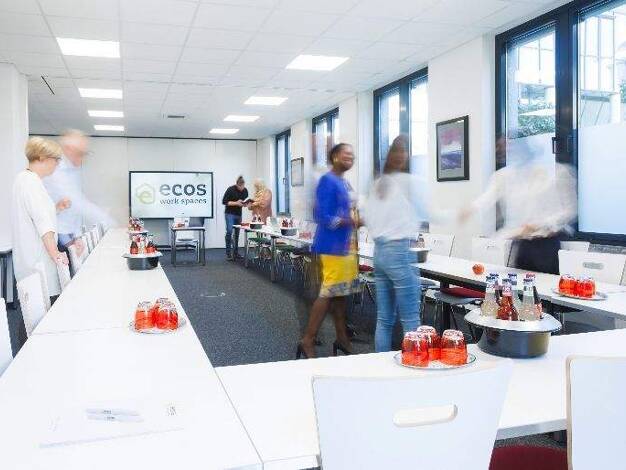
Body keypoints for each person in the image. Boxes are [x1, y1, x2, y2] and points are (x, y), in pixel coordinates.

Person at [459, 135, 577, 274]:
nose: (503, 151)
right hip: (522, 245)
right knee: (517, 285)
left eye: (509, 146)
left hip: (547, 245)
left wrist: (540, 224)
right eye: (501, 147)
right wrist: (469, 209)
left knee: (545, 286)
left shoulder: (557, 172)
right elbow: (487, 197)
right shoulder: (504, 175)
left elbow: (570, 210)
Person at [363, 135, 427, 352]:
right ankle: (415, 364)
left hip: (379, 253)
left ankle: (380, 363)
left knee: (384, 319)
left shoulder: (378, 184)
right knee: (411, 320)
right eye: (402, 150)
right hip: (398, 252)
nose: (403, 155)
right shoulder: (408, 182)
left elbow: (367, 218)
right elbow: (431, 213)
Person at [297, 143, 359, 359]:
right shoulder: (327, 180)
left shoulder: (344, 182)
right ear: (334, 157)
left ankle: (342, 338)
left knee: (340, 294)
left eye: (352, 154)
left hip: (346, 245)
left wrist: (355, 219)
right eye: (345, 154)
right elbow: (321, 215)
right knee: (329, 292)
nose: (350, 157)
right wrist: (348, 220)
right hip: (332, 246)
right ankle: (307, 340)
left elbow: (350, 209)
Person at [12, 137, 70, 302]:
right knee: (46, 311)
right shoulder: (31, 183)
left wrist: (56, 208)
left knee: (35, 310)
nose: (57, 164)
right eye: (56, 159)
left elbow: (36, 215)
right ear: (42, 157)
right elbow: (44, 225)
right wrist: (56, 254)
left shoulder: (23, 179)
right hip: (39, 263)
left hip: (28, 262)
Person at [43, 129, 115, 257]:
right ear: (68, 149)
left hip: (67, 237)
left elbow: (74, 211)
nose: (82, 158)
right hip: (56, 238)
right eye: (80, 153)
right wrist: (111, 222)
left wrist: (77, 236)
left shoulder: (72, 170)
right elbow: (77, 203)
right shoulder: (56, 171)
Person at [222, 176, 249, 260]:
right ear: (237, 185)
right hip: (229, 213)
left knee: (237, 233)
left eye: (243, 186)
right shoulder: (230, 189)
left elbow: (244, 202)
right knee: (229, 231)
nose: (242, 188)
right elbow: (225, 202)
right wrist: (236, 203)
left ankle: (235, 253)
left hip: (238, 214)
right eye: (240, 187)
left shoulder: (245, 191)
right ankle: (228, 253)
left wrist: (245, 204)